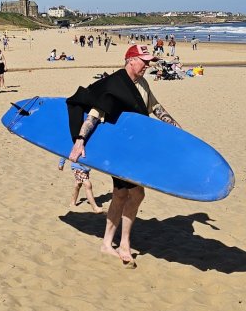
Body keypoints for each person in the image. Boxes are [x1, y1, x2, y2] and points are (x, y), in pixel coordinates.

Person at [64, 43, 179, 268]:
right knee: (133, 194)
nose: (147, 65)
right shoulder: (114, 85)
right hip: (118, 148)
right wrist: (79, 140)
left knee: (123, 195)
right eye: (144, 61)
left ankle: (110, 243)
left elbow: (155, 107)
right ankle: (122, 244)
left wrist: (174, 126)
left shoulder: (142, 83)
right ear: (130, 60)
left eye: (148, 62)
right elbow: (95, 114)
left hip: (135, 147)